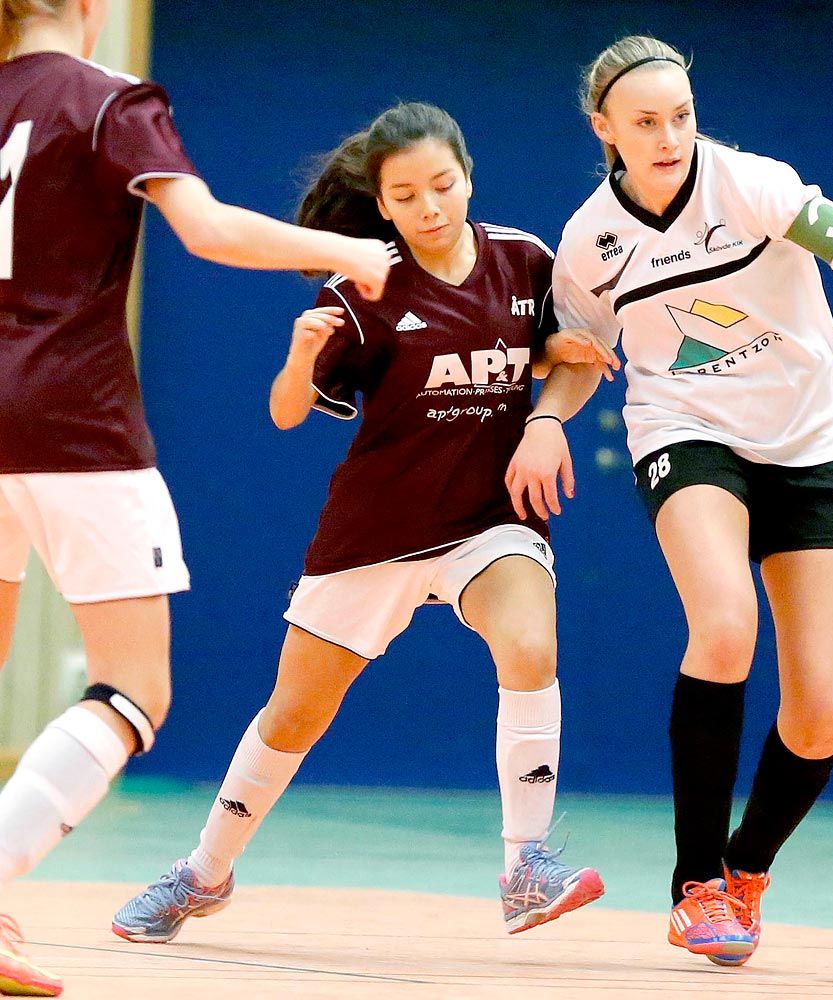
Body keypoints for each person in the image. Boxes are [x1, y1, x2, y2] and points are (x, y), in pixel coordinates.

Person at [110, 101, 606, 950]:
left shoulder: (524, 260)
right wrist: (301, 358)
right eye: (406, 194)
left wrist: (547, 418)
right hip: (375, 532)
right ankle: (203, 872)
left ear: (467, 175)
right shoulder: (362, 288)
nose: (429, 206)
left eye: (442, 185)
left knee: (530, 644)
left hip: (488, 523)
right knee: (293, 715)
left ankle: (525, 865)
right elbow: (285, 413)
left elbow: (573, 359)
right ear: (381, 204)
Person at [505, 35, 833, 967]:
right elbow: (580, 354)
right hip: (687, 431)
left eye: (681, 116)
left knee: (821, 709)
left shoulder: (755, 189)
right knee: (726, 624)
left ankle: (745, 870)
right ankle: (694, 884)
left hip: (814, 446)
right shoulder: (590, 241)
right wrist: (547, 419)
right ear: (604, 129)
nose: (668, 137)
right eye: (646, 122)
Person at [0, 0, 390, 994]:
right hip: (71, 419)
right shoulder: (108, 100)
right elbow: (206, 230)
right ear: (88, 10)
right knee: (132, 688)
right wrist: (350, 255)